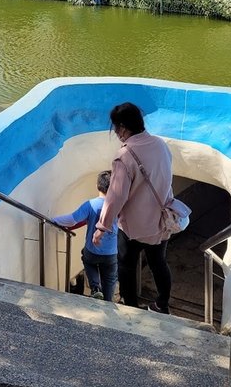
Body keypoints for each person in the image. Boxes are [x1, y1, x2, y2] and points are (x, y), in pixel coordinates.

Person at [92, 102, 174, 314]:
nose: (117, 133)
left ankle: (131, 308)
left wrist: (102, 226)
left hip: (134, 226)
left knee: (126, 265)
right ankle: (162, 304)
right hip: (162, 220)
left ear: (122, 127)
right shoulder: (160, 144)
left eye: (116, 128)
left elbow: (116, 195)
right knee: (158, 263)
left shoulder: (125, 156)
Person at [52, 170, 118, 301]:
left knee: (87, 260)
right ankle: (109, 302)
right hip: (111, 252)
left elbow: (72, 220)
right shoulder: (118, 205)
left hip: (92, 249)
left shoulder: (90, 204)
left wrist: (53, 220)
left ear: (97, 186)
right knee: (110, 279)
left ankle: (95, 288)